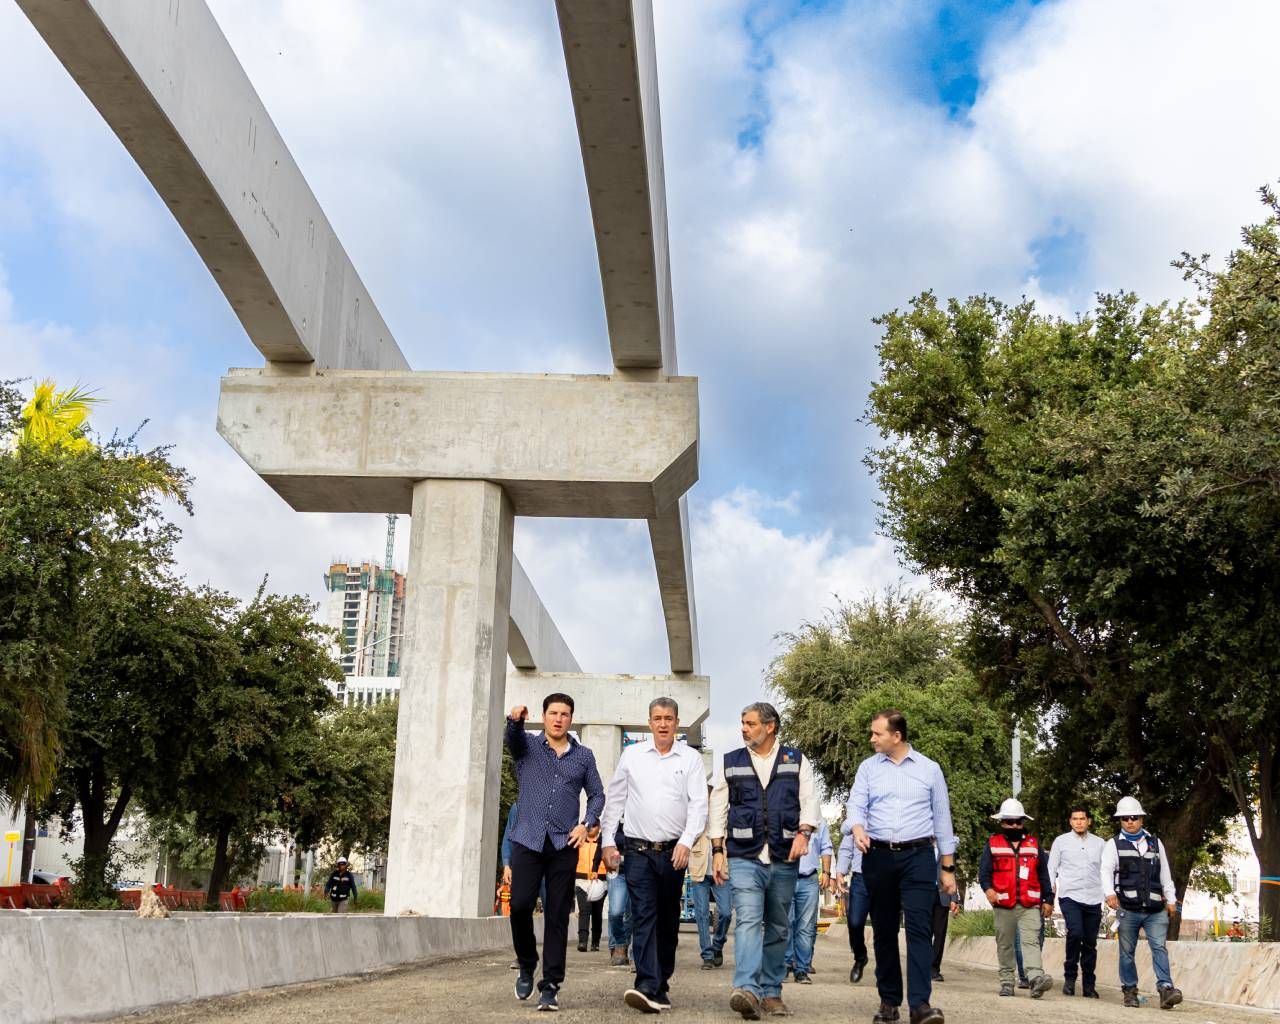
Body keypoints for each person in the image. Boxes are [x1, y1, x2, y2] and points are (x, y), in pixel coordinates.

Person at [710, 702, 821, 1020]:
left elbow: (809, 799)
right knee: (747, 920)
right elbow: (717, 805)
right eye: (742, 722)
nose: (743, 728)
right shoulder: (730, 762)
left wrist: (805, 833)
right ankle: (746, 988)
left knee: (777, 925)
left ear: (770, 726)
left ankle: (771, 992)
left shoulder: (796, 760)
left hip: (784, 856)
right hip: (745, 855)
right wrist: (718, 850)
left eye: (750, 723)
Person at [847, 710, 956, 1024]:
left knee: (920, 930)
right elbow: (857, 803)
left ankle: (920, 1005)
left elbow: (942, 818)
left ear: (896, 736)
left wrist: (947, 867)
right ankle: (889, 1001)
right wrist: (857, 828)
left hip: (918, 856)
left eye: (877, 734)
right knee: (883, 930)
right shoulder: (868, 769)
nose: (872, 739)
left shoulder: (929, 769)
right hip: (878, 856)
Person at [601, 697, 708, 1014]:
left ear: (677, 723)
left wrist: (687, 841)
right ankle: (646, 983)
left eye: (669, 718)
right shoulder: (632, 755)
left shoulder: (690, 759)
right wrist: (608, 841)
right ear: (649, 723)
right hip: (637, 851)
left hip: (673, 852)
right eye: (657, 718)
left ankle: (660, 984)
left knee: (667, 921)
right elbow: (615, 800)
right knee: (643, 915)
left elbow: (699, 804)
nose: (663, 724)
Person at [506, 694, 605, 1012]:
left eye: (564, 714)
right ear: (544, 717)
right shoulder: (528, 747)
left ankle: (550, 985)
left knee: (558, 914)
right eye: (553, 713)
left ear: (571, 719)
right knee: (520, 905)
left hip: (564, 844)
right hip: (527, 839)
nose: (558, 718)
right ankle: (526, 963)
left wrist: (586, 824)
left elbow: (597, 795)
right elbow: (512, 739)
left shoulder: (584, 756)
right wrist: (515, 719)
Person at [1100, 797, 1183, 1010]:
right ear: (1120, 821)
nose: (1130, 821)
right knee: (1127, 951)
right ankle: (1130, 990)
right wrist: (1109, 892)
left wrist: (1171, 899)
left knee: (1159, 947)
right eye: (1125, 818)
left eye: (1134, 817)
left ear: (1141, 819)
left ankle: (1166, 989)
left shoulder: (1155, 843)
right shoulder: (1113, 844)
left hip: (1155, 908)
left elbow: (1165, 873)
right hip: (1128, 908)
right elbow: (1106, 870)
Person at [979, 798, 1054, 998]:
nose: (1015, 825)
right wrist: (988, 890)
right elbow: (984, 873)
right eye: (1010, 821)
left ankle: (1036, 978)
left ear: (1023, 822)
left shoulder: (1033, 844)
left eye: (1018, 821)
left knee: (1031, 942)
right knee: (1005, 944)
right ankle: (1006, 981)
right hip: (1003, 904)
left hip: (1029, 904)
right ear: (1002, 822)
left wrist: (1048, 899)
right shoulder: (993, 843)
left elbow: (1043, 875)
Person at [1047, 805, 1104, 997]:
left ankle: (1089, 984)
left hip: (1094, 898)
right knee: (1075, 933)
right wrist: (1049, 893)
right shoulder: (1061, 842)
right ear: (1070, 821)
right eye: (1075, 819)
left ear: (1089, 821)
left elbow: (1107, 870)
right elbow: (1051, 868)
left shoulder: (1100, 843)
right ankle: (1069, 978)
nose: (1079, 822)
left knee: (1090, 942)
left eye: (1082, 818)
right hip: (1070, 896)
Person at [689, 787, 733, 970]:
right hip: (699, 869)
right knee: (701, 914)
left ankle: (717, 945)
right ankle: (707, 955)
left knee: (725, 912)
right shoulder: (693, 818)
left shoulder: (726, 817)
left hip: (721, 870)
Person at [785, 816, 832, 983]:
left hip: (809, 880)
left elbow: (826, 848)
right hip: (785, 876)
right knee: (786, 923)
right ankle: (785, 965)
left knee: (806, 926)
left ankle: (801, 970)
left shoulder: (819, 821)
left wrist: (826, 873)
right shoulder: (785, 814)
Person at [834, 823, 871, 984]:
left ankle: (885, 970)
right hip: (860, 877)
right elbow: (845, 849)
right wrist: (840, 872)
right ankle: (860, 957)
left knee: (884, 927)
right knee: (854, 922)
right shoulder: (857, 818)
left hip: (885, 877)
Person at [607, 820, 633, 967]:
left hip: (638, 868)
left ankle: (630, 951)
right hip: (618, 871)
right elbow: (609, 837)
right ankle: (619, 943)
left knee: (633, 914)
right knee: (616, 912)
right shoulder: (616, 813)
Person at [575, 834, 607, 952]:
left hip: (599, 881)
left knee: (597, 912)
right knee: (584, 911)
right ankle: (582, 941)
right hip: (581, 881)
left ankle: (595, 942)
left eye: (595, 825)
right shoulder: (580, 839)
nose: (592, 827)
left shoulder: (603, 840)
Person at [930, 855, 958, 982]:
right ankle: (922, 966)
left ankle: (934, 969)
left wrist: (953, 899)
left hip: (943, 895)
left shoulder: (946, 850)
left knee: (940, 934)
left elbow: (952, 874)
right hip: (924, 896)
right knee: (924, 933)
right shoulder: (920, 843)